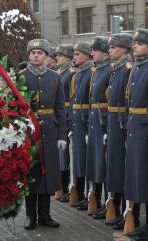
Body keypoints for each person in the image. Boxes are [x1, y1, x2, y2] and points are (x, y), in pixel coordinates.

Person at [21, 39, 67, 230]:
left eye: (40, 52)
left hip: (49, 129)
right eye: (33, 53)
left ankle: (45, 214)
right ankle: (30, 215)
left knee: (47, 172)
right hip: (28, 130)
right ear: (29, 56)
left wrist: (62, 135)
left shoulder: (55, 77)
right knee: (31, 172)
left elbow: (60, 108)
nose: (36, 56)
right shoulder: (21, 77)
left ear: (46, 56)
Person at [105, 33, 139, 230]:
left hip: (122, 124)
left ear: (124, 50)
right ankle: (117, 209)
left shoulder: (127, 69)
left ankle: (129, 212)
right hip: (113, 122)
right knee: (115, 167)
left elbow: (128, 102)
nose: (110, 50)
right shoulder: (116, 69)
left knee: (124, 169)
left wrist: (125, 126)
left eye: (114, 47)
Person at [124, 29, 148, 241]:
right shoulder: (138, 67)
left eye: (140, 43)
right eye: (134, 43)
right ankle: (147, 224)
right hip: (136, 127)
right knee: (140, 178)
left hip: (146, 129)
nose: (135, 46)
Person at [86, 36, 112, 218]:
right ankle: (102, 202)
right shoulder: (97, 71)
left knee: (105, 165)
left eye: (95, 50)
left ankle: (110, 203)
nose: (92, 53)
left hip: (104, 121)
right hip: (95, 121)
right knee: (97, 163)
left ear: (105, 52)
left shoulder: (110, 70)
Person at [69, 42, 95, 210]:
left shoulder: (91, 72)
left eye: (78, 54)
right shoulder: (78, 74)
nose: (75, 57)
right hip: (77, 122)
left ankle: (91, 196)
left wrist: (86, 125)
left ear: (87, 55)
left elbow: (91, 102)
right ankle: (82, 195)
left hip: (86, 123)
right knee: (79, 161)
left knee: (88, 162)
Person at [56, 44, 76, 203]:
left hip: (68, 115)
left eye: (60, 55)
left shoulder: (70, 73)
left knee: (69, 157)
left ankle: (71, 187)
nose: (57, 58)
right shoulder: (61, 73)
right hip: (62, 114)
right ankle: (62, 187)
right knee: (62, 156)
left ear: (68, 58)